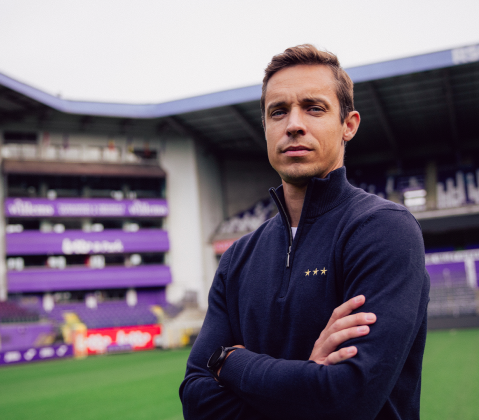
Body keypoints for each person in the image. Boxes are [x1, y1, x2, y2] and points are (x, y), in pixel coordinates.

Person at [179, 44, 430, 420]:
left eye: (314, 108)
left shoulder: (383, 229)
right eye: (278, 112)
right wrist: (307, 382)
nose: (293, 123)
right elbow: (196, 399)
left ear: (349, 124)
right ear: (265, 128)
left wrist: (231, 362)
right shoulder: (238, 257)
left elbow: (347, 399)